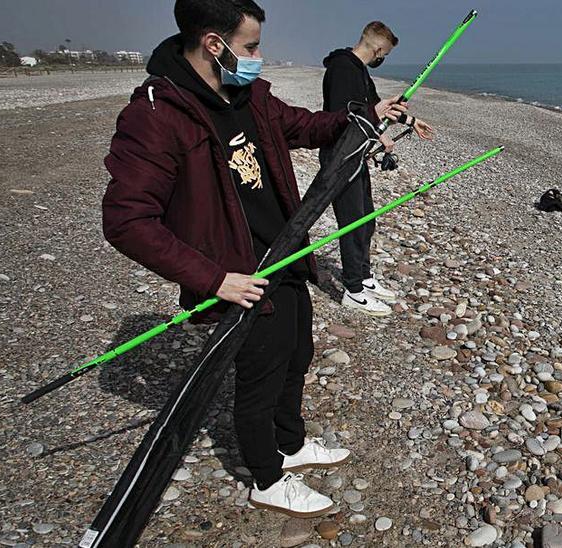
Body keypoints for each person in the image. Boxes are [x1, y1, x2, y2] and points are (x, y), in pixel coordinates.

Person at [102, 0, 410, 518]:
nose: (258, 56)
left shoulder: (248, 94)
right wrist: (213, 279)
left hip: (285, 254)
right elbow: (126, 220)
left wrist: (364, 116)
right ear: (213, 44)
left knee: (296, 357)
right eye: (251, 46)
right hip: (238, 276)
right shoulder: (155, 115)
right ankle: (266, 478)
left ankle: (289, 446)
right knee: (260, 378)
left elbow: (304, 127)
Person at [321, 21, 433, 317]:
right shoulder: (343, 69)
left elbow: (373, 105)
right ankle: (353, 291)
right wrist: (380, 135)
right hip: (341, 158)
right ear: (379, 48)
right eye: (386, 54)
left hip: (356, 155)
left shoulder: (358, 69)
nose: (384, 59)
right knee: (353, 221)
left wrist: (410, 122)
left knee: (366, 218)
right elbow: (347, 114)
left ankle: (364, 277)